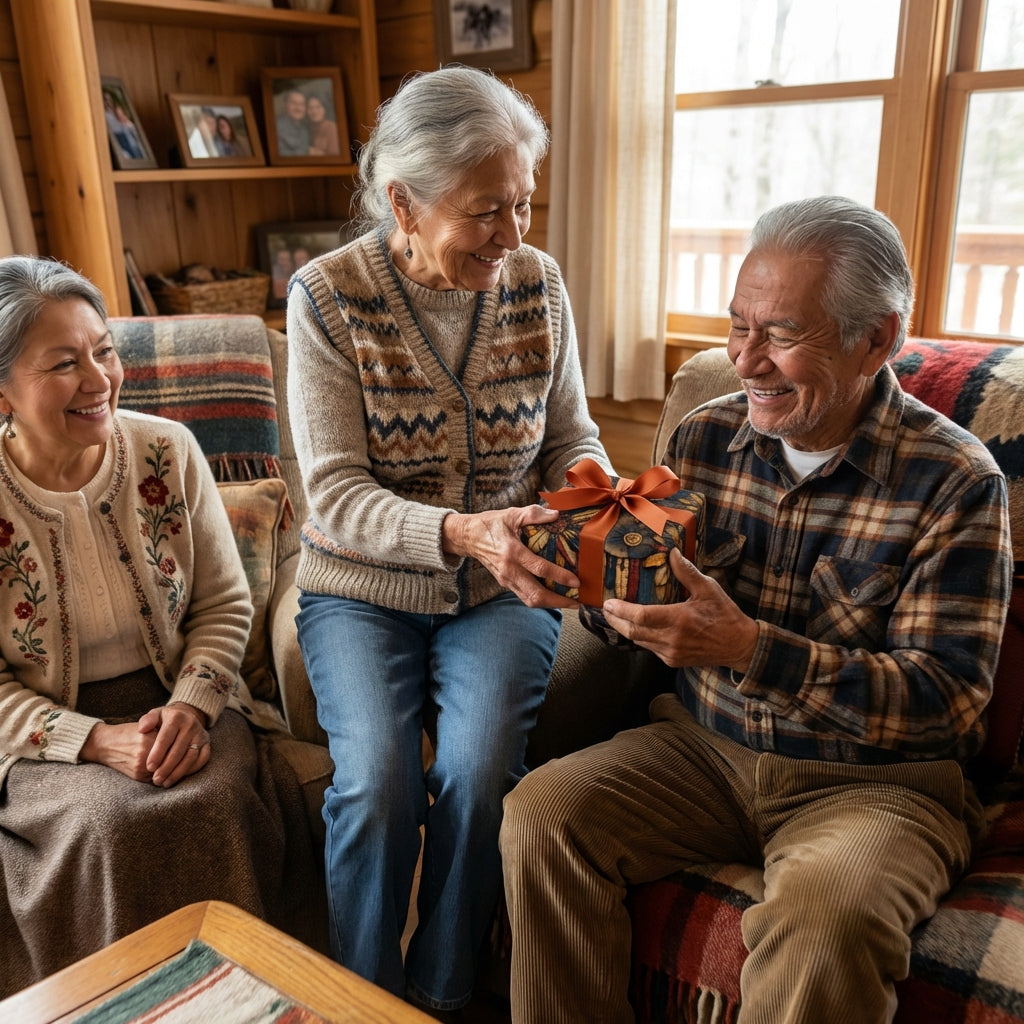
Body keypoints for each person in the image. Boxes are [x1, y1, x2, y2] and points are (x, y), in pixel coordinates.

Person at [499, 196, 1014, 1023]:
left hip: (878, 786)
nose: (744, 360)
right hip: (704, 747)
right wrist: (580, 582)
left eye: (780, 334)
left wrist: (748, 649)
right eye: (737, 326)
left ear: (876, 338)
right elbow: (644, 595)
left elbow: (946, 701)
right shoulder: (704, 438)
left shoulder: (956, 480)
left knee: (824, 924)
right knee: (543, 817)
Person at [286, 65, 609, 1017]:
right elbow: (335, 494)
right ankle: (358, 997)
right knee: (378, 782)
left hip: (501, 591)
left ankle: (443, 993)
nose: (511, 237)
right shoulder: (328, 298)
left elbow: (571, 436)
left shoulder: (538, 285)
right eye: (483, 213)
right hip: (359, 587)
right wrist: (463, 532)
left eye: (521, 205)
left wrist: (588, 495)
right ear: (404, 202)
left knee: (479, 772)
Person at [0, 255, 319, 996]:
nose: (99, 379)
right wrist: (92, 741)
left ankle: (256, 1004)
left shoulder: (165, 449)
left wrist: (191, 705)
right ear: (4, 388)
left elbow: (223, 603)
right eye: (63, 364)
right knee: (109, 826)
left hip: (183, 695)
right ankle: (116, 1008)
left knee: (206, 802)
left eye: (103, 352)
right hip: (45, 732)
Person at [276, 89, 310, 156]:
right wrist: (307, 151)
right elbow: (279, 156)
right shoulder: (276, 127)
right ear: (285, 105)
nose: (298, 108)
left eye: (302, 104)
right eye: (294, 103)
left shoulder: (304, 130)